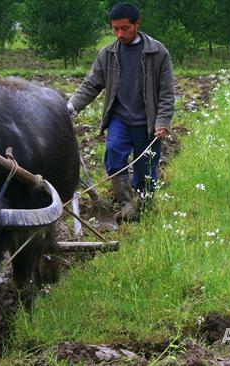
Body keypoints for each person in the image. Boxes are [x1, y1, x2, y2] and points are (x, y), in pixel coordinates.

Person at [67, 2, 175, 221]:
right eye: (115, 28)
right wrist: (71, 106)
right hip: (120, 119)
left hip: (148, 122)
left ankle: (144, 204)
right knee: (114, 155)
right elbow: (91, 85)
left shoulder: (157, 52)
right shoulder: (107, 54)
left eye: (125, 28)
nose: (119, 34)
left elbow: (166, 92)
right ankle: (126, 204)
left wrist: (162, 121)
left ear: (137, 24)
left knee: (146, 168)